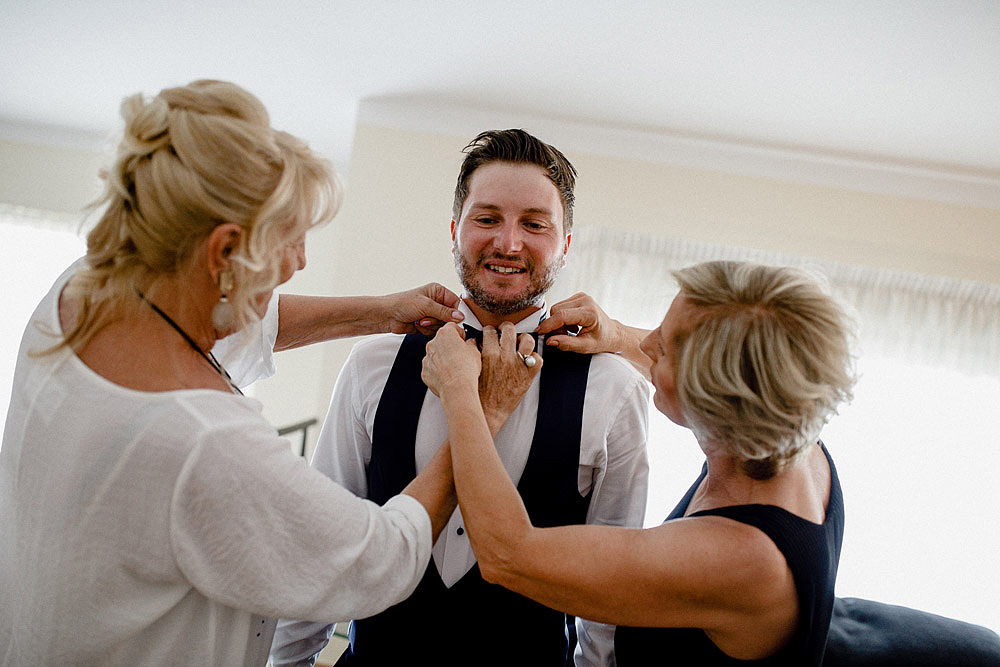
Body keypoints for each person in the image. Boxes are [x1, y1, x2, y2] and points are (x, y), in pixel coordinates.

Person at [0, 79, 469, 667]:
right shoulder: (205, 441)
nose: (301, 260)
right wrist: (479, 417)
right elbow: (378, 558)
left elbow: (250, 320)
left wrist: (380, 312)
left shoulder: (84, 290)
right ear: (223, 252)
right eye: (291, 238)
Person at [270, 129, 651, 666]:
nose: (508, 243)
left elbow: (611, 589)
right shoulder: (374, 365)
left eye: (534, 224)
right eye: (487, 218)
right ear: (455, 230)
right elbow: (322, 548)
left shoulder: (614, 389)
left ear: (565, 244)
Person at [423, 260, 857, 666]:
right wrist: (613, 334)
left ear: (717, 403)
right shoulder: (788, 423)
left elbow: (506, 555)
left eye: (663, 348)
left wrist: (464, 393)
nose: (646, 343)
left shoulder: (743, 561)